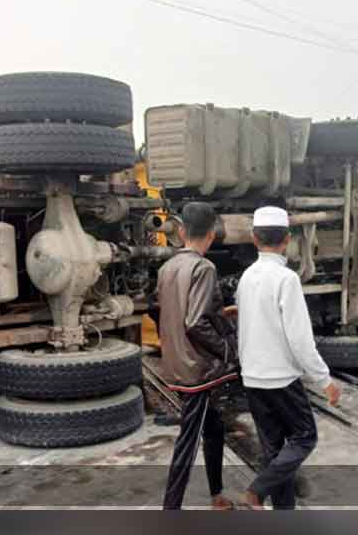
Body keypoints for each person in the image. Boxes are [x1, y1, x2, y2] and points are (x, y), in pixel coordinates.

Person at [235, 206, 341, 510]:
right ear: (288, 240)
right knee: (305, 437)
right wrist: (325, 380)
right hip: (281, 378)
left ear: (254, 239)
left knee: (273, 451)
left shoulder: (246, 278)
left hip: (253, 378)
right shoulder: (286, 279)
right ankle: (257, 490)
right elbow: (300, 340)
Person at [158, 203, 240, 510]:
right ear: (211, 235)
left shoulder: (168, 267)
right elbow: (194, 322)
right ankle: (171, 511)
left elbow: (175, 313)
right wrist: (227, 349)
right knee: (188, 442)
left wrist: (219, 313)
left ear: (180, 231)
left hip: (178, 362)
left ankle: (217, 495)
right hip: (197, 370)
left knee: (214, 427)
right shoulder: (204, 267)